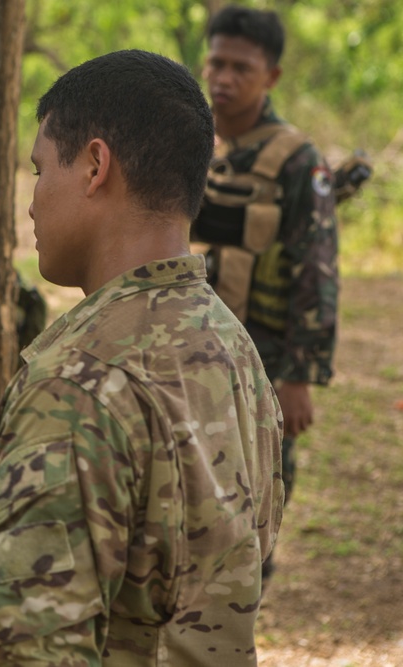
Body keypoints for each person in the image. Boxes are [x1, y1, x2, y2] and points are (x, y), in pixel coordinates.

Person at [0, 50, 284, 665]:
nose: (32, 202)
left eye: (40, 170)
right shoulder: (232, 346)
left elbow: (24, 648)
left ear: (96, 165)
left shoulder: (78, 385)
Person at [193, 5, 339, 579]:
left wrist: (301, 375)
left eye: (240, 67)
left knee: (254, 510)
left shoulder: (300, 162)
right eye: (216, 63)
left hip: (266, 360)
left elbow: (317, 269)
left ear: (271, 76)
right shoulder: (189, 142)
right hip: (187, 351)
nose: (223, 78)